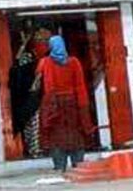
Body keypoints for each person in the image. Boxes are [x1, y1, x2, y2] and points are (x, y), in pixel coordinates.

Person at [35, 35, 93, 172]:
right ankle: (77, 163)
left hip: (53, 104)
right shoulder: (74, 62)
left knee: (56, 135)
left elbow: (37, 83)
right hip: (73, 104)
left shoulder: (45, 62)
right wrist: (83, 105)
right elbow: (80, 85)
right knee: (75, 133)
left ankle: (59, 165)